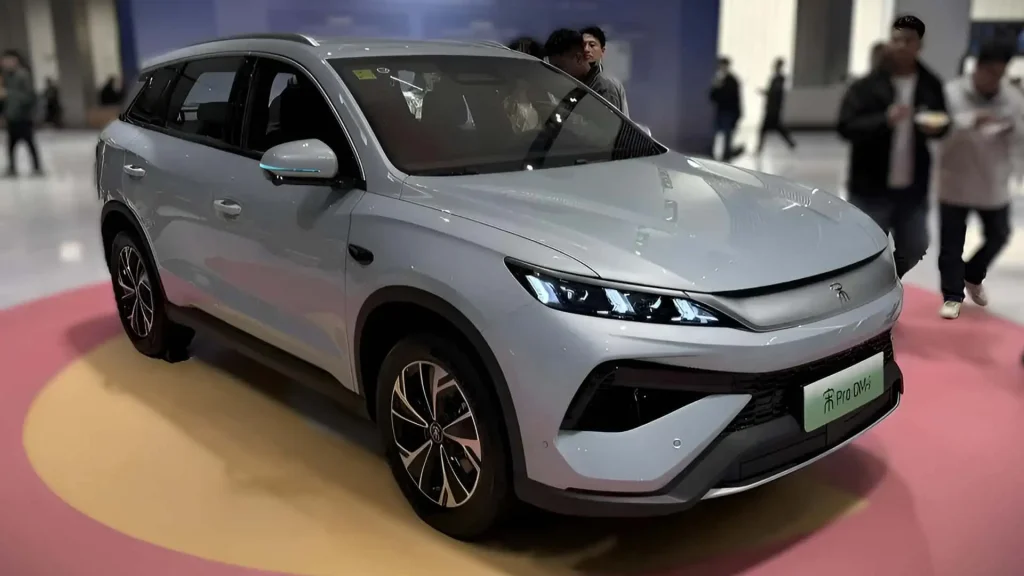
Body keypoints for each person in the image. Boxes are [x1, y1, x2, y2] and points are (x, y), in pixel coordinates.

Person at [836, 15, 948, 279]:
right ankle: (868, 290)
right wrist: (884, 119)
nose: (901, 46)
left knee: (915, 246)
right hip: (870, 187)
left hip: (913, 189)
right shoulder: (866, 86)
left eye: (908, 41)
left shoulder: (931, 85)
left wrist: (937, 128)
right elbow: (846, 126)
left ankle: (886, 281)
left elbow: (943, 122)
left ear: (919, 45)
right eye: (896, 40)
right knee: (862, 249)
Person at [935, 40, 1022, 319]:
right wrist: (970, 122)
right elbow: (937, 132)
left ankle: (973, 274)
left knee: (999, 234)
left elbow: (1021, 136)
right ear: (978, 68)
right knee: (951, 244)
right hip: (955, 179)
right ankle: (952, 296)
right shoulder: (951, 94)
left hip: (993, 180)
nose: (995, 80)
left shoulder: (1012, 98)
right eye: (991, 73)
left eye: (1001, 74)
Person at [544, 29, 624, 112]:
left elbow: (604, 120)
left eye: (559, 67)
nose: (556, 73)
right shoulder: (576, 89)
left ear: (578, 58)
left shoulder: (604, 89)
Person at [1, 49, 42, 177]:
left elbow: (29, 96)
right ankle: (12, 168)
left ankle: (37, 168)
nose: (4, 63)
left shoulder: (23, 75)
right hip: (12, 116)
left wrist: (8, 94)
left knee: (29, 143)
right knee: (11, 145)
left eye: (7, 60)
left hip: (23, 117)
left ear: (15, 60)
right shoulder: (7, 77)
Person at [580, 26, 629, 116]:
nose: (586, 49)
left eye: (592, 45)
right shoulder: (588, 79)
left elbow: (607, 120)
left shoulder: (606, 85)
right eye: (583, 45)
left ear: (602, 51)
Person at [757, 57, 796, 155]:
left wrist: (765, 92)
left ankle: (759, 149)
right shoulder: (776, 78)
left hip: (773, 108)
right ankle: (791, 143)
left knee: (764, 129)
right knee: (777, 127)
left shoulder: (780, 78)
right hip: (773, 107)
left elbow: (775, 93)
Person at [709, 56, 744, 162]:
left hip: (728, 112)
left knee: (727, 135)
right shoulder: (719, 80)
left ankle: (726, 155)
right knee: (717, 133)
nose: (722, 67)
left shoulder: (732, 80)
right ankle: (717, 155)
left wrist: (738, 113)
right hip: (721, 111)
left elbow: (734, 97)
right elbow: (712, 97)